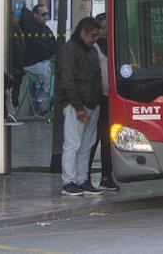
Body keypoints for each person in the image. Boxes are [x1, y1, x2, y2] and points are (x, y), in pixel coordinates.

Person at [54, 17, 104, 197]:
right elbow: (67, 81)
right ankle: (69, 181)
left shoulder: (89, 49)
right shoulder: (69, 50)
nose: (95, 39)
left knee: (86, 145)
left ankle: (82, 179)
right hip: (77, 104)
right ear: (83, 32)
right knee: (73, 145)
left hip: (90, 103)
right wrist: (78, 107)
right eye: (93, 35)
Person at [86, 13, 119, 191]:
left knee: (108, 139)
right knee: (92, 139)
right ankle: (85, 176)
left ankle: (107, 176)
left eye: (108, 27)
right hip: (97, 98)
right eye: (103, 27)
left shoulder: (118, 44)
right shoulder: (93, 47)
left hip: (112, 98)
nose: (106, 31)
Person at [20, 5, 57, 114]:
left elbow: (53, 43)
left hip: (42, 61)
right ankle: (43, 107)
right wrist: (51, 51)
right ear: (35, 14)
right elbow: (39, 47)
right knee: (47, 76)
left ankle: (46, 104)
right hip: (32, 63)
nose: (46, 17)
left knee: (50, 75)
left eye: (47, 14)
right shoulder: (30, 28)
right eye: (43, 14)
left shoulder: (45, 28)